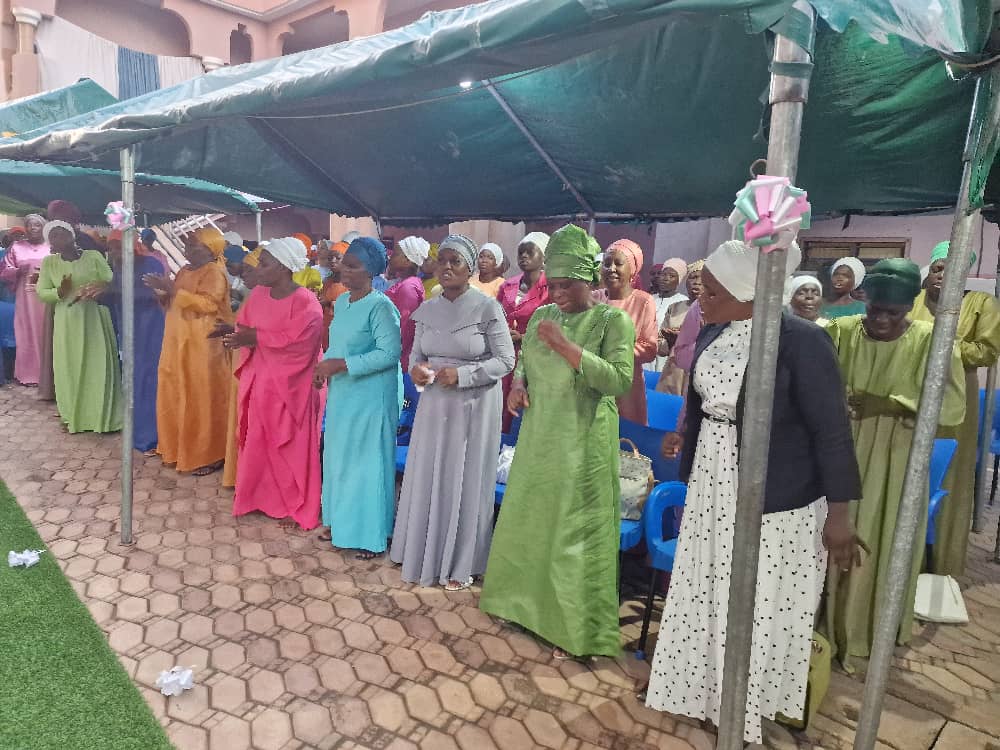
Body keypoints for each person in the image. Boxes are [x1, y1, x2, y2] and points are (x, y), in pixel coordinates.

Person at [644, 240, 862, 744]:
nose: (701, 300)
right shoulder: (714, 329)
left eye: (713, 293)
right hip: (712, 480)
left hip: (773, 491)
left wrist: (839, 515)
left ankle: (742, 705)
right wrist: (686, 432)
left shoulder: (802, 341)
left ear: (749, 294)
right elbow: (706, 399)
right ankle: (705, 694)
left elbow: (832, 431)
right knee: (709, 586)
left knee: (755, 597)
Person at [480, 224, 634, 659]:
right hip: (539, 434)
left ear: (590, 280)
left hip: (582, 440)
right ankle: (519, 605)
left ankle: (571, 630)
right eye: (555, 284)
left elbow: (619, 381)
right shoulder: (542, 317)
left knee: (571, 532)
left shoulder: (612, 321)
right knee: (530, 519)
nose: (559, 293)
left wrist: (568, 347)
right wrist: (518, 386)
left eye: (569, 285)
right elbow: (525, 360)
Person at [825, 258, 965, 668]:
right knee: (830, 534)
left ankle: (863, 632)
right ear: (864, 300)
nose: (881, 320)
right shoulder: (842, 331)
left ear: (909, 306)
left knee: (878, 540)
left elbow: (952, 407)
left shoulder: (931, 341)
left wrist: (889, 402)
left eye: (893, 312)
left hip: (897, 457)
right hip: (841, 448)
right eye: (874, 310)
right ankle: (824, 626)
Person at [391, 235, 515, 590]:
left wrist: (463, 376)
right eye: (442, 260)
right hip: (434, 403)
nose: (446, 267)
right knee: (430, 473)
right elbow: (416, 354)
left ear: (470, 268)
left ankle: (461, 562)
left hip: (473, 405)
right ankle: (422, 552)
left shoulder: (487, 308)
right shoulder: (428, 309)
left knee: (465, 476)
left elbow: (506, 360)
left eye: (455, 261)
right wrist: (416, 370)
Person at [909, 241, 1000, 577]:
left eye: (952, 269)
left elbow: (987, 351)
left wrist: (941, 344)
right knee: (910, 468)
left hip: (958, 394)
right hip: (912, 392)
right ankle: (904, 559)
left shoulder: (981, 304)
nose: (942, 275)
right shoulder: (913, 301)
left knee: (950, 472)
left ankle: (940, 562)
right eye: (937, 268)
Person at [223, 238, 324, 529]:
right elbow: (245, 326)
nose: (258, 268)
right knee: (258, 441)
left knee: (289, 449)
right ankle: (258, 497)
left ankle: (293, 503)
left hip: (291, 389)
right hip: (259, 383)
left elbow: (302, 345)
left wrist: (256, 338)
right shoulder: (258, 294)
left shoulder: (306, 303)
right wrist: (236, 335)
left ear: (283, 267)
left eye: (264, 263)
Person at [315, 237, 402, 560]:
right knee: (339, 457)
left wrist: (342, 365)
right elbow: (338, 345)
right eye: (345, 264)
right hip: (344, 392)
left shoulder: (381, 307)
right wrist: (324, 368)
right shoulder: (342, 302)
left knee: (367, 463)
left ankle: (370, 535)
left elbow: (390, 354)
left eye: (354, 266)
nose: (345, 270)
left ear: (372, 271)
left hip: (371, 396)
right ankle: (340, 521)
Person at [144, 227, 234, 476]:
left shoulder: (214, 272)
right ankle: (176, 448)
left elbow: (208, 304)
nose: (188, 249)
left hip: (203, 345)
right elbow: (175, 301)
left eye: (195, 245)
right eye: (188, 244)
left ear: (211, 250)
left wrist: (173, 291)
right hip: (176, 340)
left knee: (202, 397)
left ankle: (210, 454)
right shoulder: (184, 270)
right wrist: (164, 294)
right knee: (175, 391)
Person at [36, 221, 123, 434]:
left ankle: (103, 419)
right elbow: (42, 291)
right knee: (70, 367)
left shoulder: (94, 256)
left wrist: (103, 287)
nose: (59, 237)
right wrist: (59, 292)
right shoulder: (49, 263)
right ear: (50, 242)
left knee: (99, 366)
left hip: (95, 318)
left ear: (73, 234)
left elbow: (111, 280)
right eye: (53, 235)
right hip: (67, 321)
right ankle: (73, 416)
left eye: (62, 232)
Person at [103, 229, 167, 453]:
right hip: (128, 329)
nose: (113, 252)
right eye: (110, 248)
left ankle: (153, 435)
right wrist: (104, 292)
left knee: (149, 379)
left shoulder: (152, 263)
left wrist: (113, 290)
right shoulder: (119, 267)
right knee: (132, 378)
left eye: (117, 247)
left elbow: (153, 294)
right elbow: (116, 294)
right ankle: (137, 431)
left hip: (150, 328)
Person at [594, 239, 657, 424]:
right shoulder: (594, 298)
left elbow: (649, 348)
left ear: (632, 270)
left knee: (624, 435)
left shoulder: (643, 301)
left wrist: (612, 350)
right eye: (606, 263)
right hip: (594, 380)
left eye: (618, 263)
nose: (611, 269)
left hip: (627, 385)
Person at [497, 231, 550, 430]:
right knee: (498, 406)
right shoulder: (507, 286)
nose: (524, 256)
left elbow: (555, 324)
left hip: (533, 358)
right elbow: (496, 316)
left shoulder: (550, 289)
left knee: (522, 410)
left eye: (530, 252)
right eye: (521, 252)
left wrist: (524, 337)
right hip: (503, 354)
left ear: (543, 257)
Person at [222, 248, 261, 489]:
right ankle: (239, 474)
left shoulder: (266, 299)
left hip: (256, 369)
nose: (244, 274)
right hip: (242, 363)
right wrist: (230, 328)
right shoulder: (253, 296)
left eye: (249, 270)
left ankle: (249, 478)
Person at [0, 214, 49, 385]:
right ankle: (27, 374)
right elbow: (4, 270)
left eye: (37, 225)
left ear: (43, 227)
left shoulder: (51, 247)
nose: (32, 228)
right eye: (29, 225)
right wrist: (18, 271)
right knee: (25, 332)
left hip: (47, 297)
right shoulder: (16, 247)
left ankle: (47, 375)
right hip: (25, 299)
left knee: (46, 331)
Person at [657, 259, 705, 395]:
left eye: (702, 278)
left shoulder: (715, 310)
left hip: (698, 375)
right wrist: (671, 343)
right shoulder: (675, 308)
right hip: (672, 373)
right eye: (693, 278)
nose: (697, 282)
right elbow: (659, 344)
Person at [386, 236, 429, 372]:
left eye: (396, 254)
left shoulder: (408, 287)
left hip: (400, 359)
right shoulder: (406, 283)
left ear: (408, 260)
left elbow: (404, 326)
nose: (391, 257)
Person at [648, 258, 689, 373]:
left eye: (671, 276)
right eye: (663, 274)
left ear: (678, 280)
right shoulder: (649, 299)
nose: (665, 278)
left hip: (666, 356)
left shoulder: (683, 302)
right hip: (647, 354)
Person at [0, 227, 23, 382]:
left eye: (21, 235)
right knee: (7, 333)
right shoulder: (3, 254)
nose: (17, 238)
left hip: (22, 298)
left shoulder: (27, 254)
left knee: (19, 332)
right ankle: (9, 371)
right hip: (6, 298)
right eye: (15, 235)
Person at [223, 243, 249, 312]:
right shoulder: (237, 278)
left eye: (230, 265)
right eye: (226, 265)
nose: (227, 268)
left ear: (242, 261)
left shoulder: (254, 280)